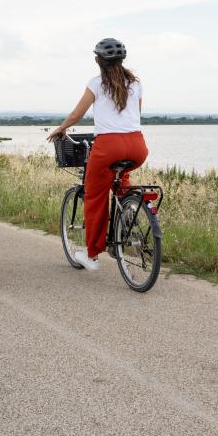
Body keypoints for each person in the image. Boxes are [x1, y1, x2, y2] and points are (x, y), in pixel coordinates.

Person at [48, 38, 148, 271]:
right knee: (121, 180)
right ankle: (127, 214)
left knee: (95, 196)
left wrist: (61, 129)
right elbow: (137, 115)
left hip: (108, 147)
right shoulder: (136, 83)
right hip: (137, 145)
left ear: (98, 60)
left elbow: (77, 114)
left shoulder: (96, 83)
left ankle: (92, 255)